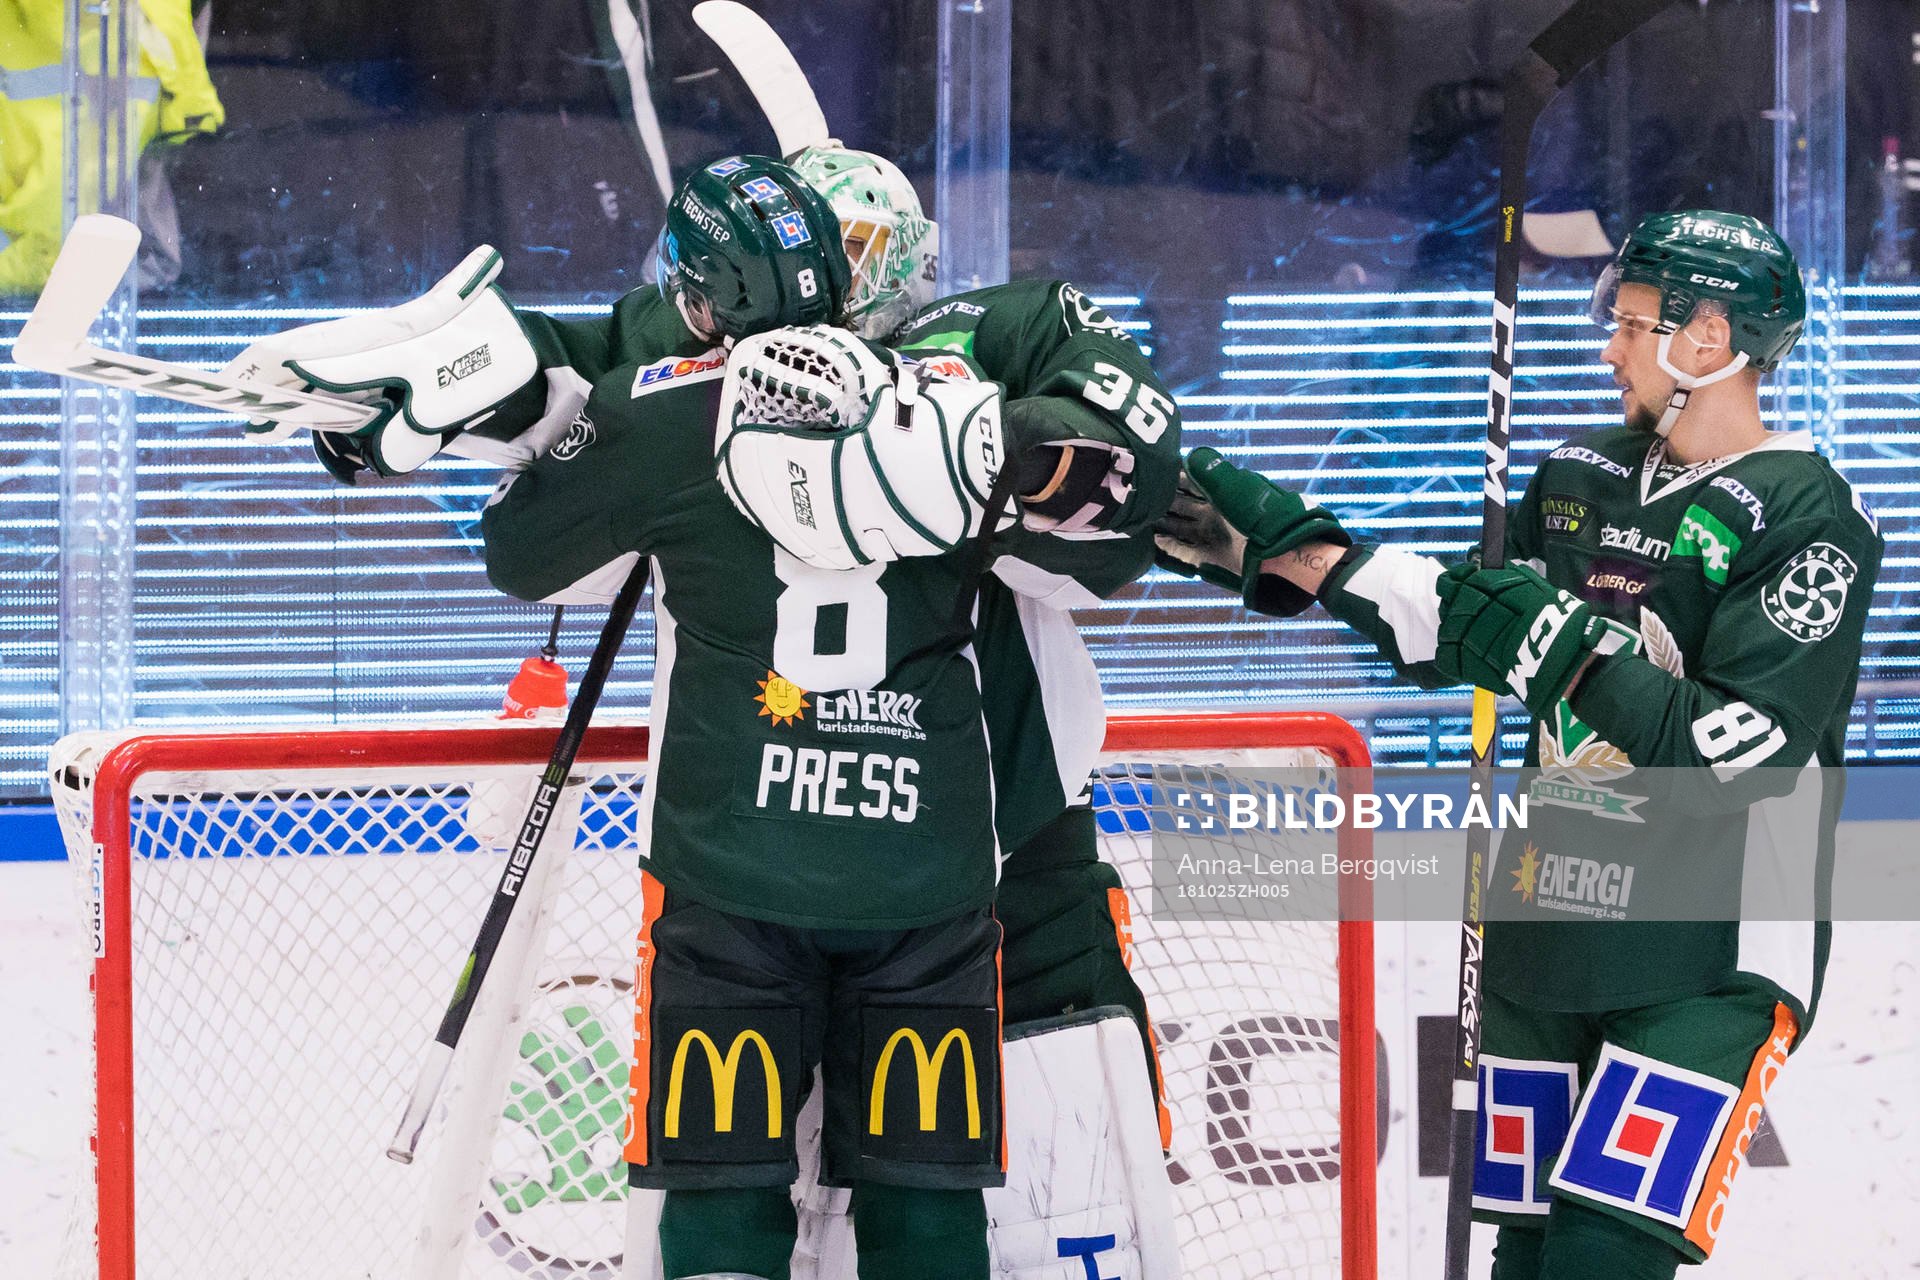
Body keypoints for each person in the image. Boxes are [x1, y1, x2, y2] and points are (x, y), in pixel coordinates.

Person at [225, 149, 1182, 1277]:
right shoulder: (959, 402)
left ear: (709, 297)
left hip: (732, 873)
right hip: (929, 878)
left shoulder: (667, 409)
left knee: (719, 1192)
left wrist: (515, 426)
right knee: (929, 1202)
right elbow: (1107, 524)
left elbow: (520, 553)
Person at [1154, 209, 1882, 1280]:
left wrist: (1556, 644)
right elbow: (1470, 626)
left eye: (1633, 324)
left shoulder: (1811, 515)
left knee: (1601, 1257)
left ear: (1709, 337)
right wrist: (1303, 558)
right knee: (1525, 1257)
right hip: (1550, 921)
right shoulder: (1578, 477)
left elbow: (1736, 756)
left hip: (1707, 953)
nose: (1611, 349)